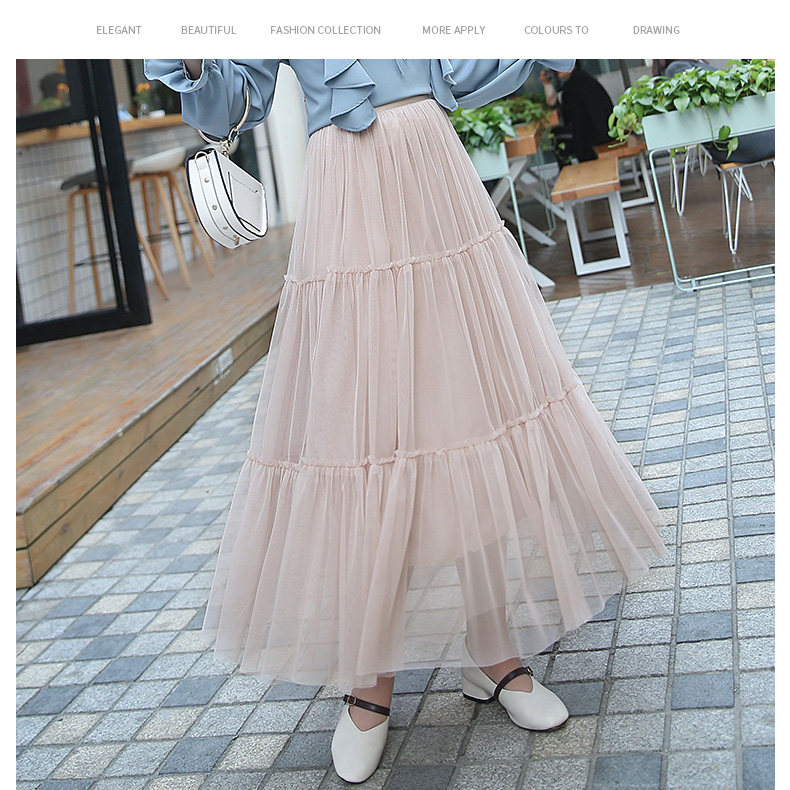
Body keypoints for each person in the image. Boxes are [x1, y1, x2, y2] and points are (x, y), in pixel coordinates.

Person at [145, 59, 668, 784]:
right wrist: (197, 60)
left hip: (434, 177)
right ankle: (370, 679)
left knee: (468, 410)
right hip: (348, 189)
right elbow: (238, 98)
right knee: (360, 433)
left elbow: (461, 63)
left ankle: (491, 646)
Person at [539, 64, 614, 163]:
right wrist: (547, 83)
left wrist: (547, 84)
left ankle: (574, 170)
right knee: (559, 135)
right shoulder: (580, 78)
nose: (557, 68)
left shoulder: (574, 83)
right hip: (603, 131)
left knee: (556, 138)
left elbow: (555, 104)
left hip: (598, 135)